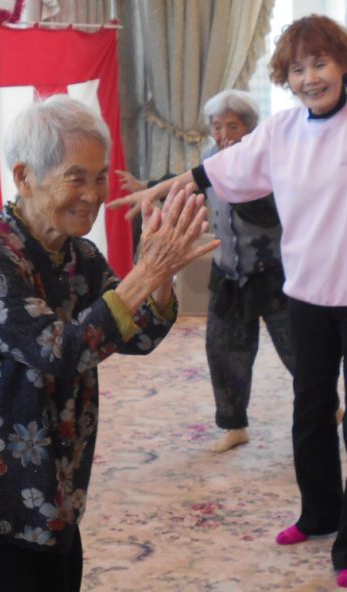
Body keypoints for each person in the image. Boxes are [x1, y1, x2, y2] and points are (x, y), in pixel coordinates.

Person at [110, 15, 347, 588]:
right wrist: (162, 188)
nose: (310, 78)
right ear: (286, 77)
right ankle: (320, 513)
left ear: (344, 64)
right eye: (298, 69)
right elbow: (218, 170)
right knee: (310, 414)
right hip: (307, 297)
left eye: (321, 63)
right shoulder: (280, 132)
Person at [0, 94, 217, 592]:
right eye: (76, 178)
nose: (93, 195)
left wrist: (161, 276)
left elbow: (140, 333)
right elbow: (58, 351)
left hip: (53, 482)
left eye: (99, 178)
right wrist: (145, 274)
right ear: (24, 176)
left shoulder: (80, 255)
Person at [121, 89, 295, 453]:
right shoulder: (210, 160)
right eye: (217, 127)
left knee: (296, 348)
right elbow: (186, 181)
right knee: (223, 350)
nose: (223, 134)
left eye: (233, 126)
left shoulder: (267, 162)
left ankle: (327, 404)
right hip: (228, 273)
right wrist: (148, 188)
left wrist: (236, 175)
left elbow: (271, 214)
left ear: (250, 129)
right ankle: (234, 426)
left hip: (273, 273)